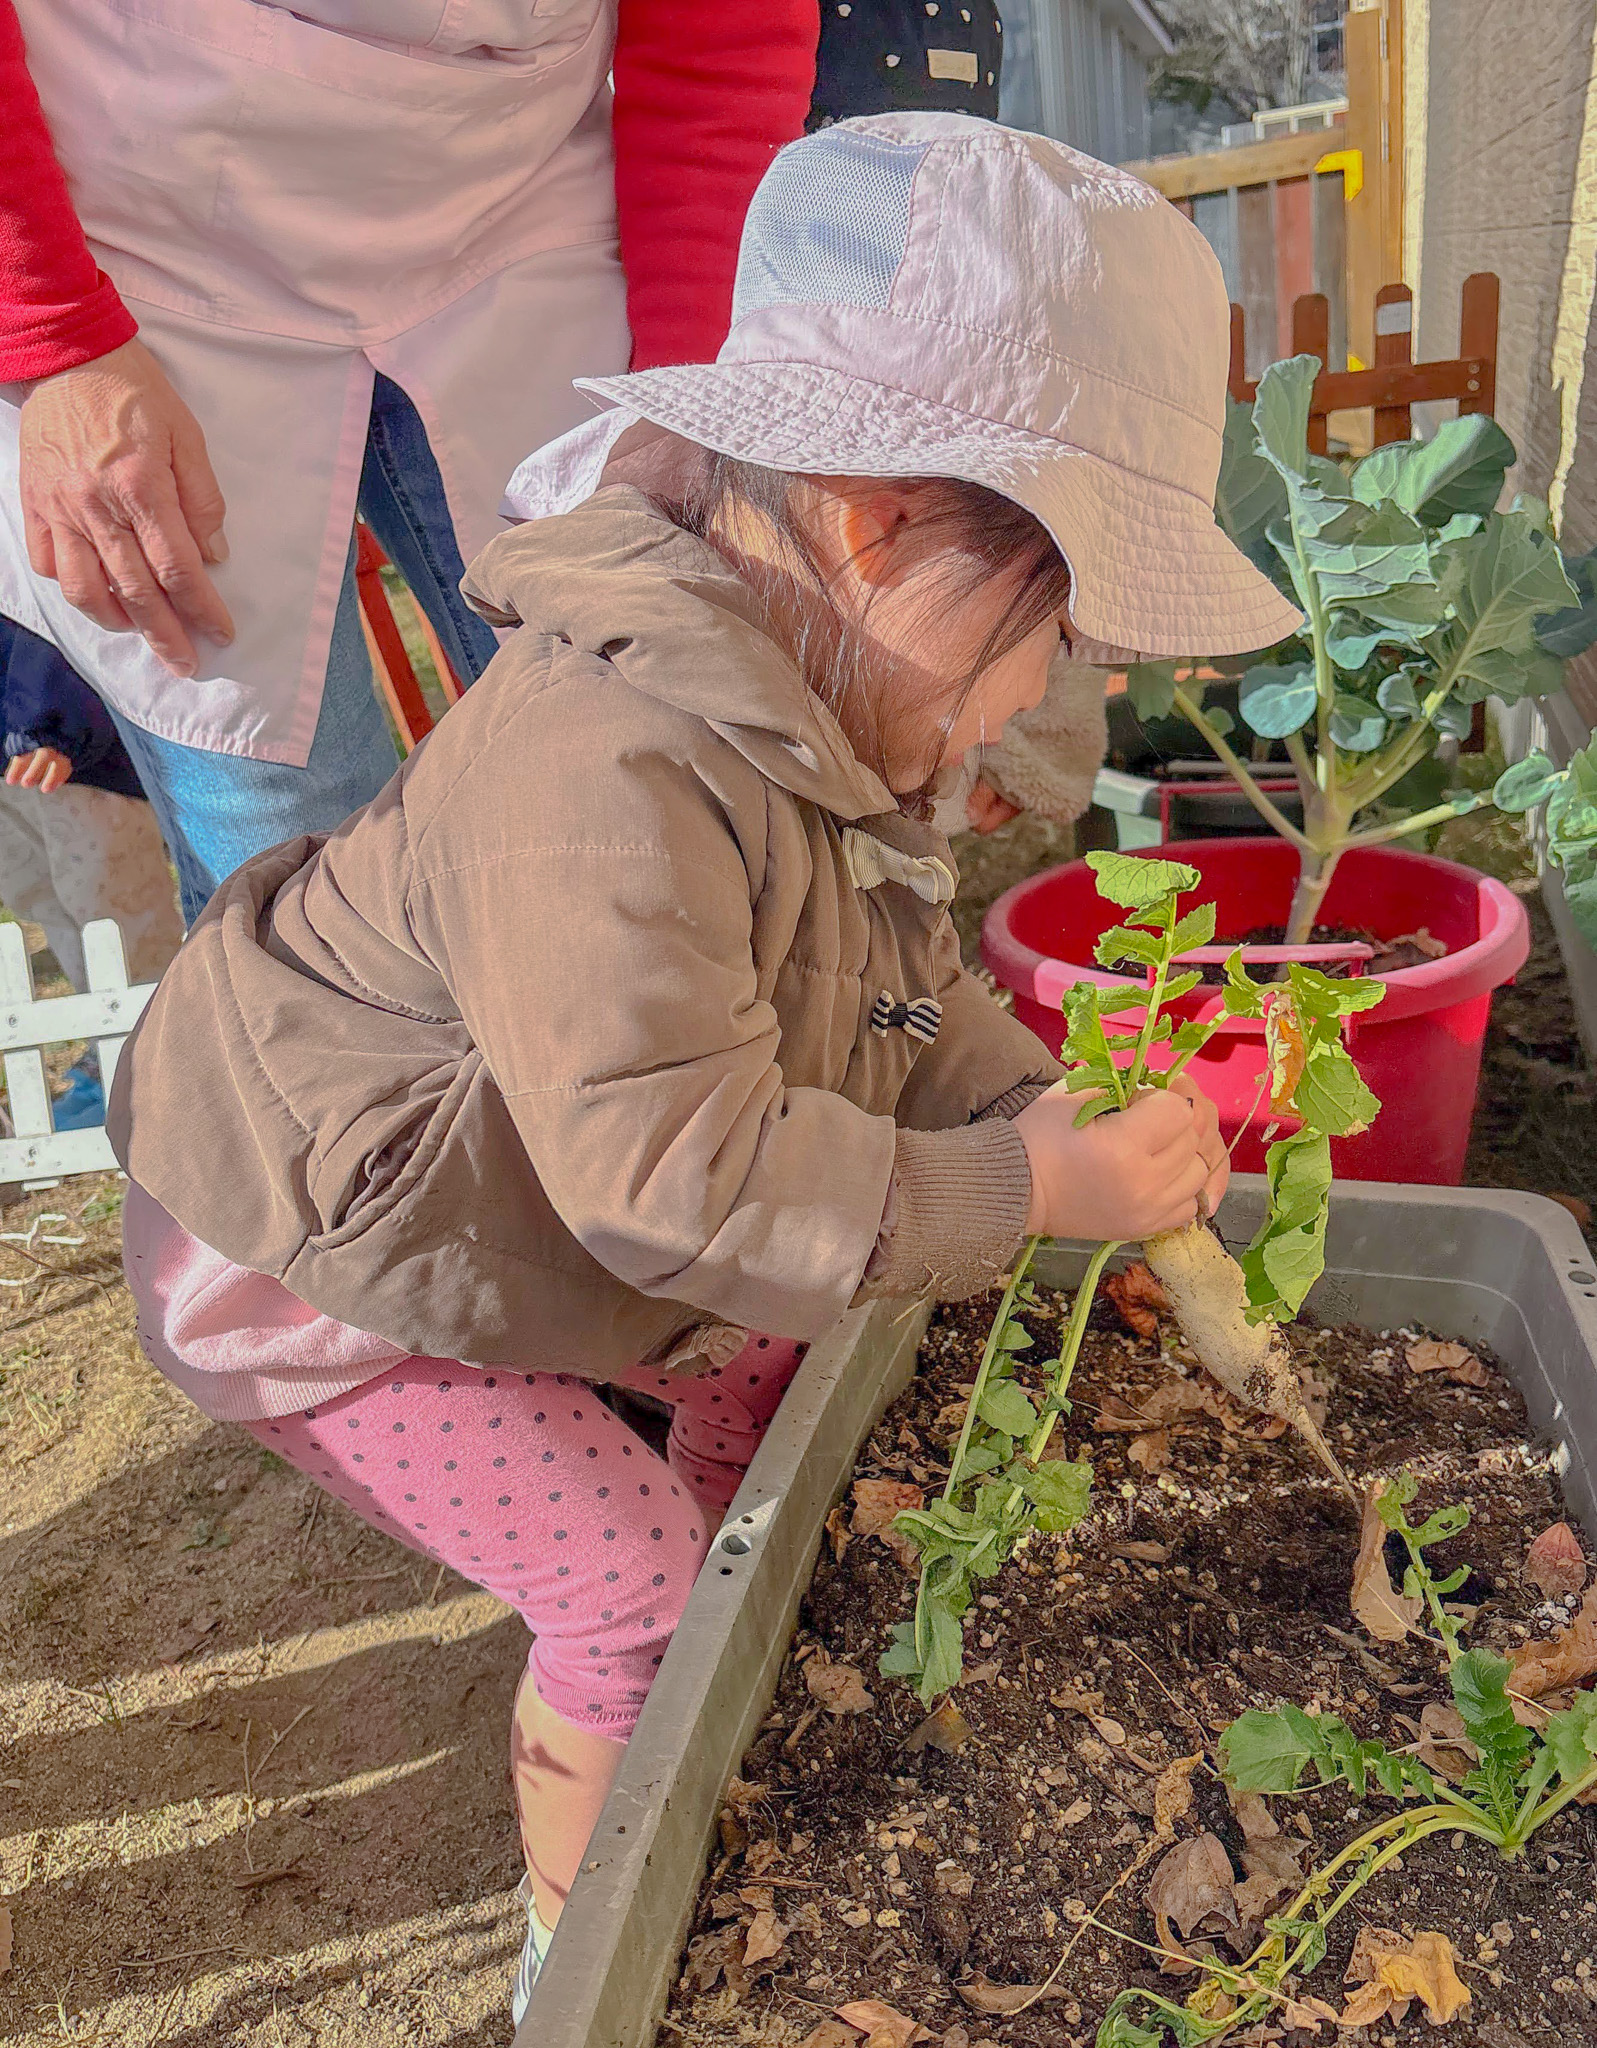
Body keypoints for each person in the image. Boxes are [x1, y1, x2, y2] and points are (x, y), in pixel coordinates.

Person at [110, 115, 1300, 2017]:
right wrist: (1031, 1194)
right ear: (876, 523)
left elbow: (892, 998)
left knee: (777, 1348)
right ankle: (575, 1939)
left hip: (541, 1161)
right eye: (1048, 624)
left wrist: (1006, 1098)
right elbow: (674, 1175)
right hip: (328, 1255)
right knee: (626, 1591)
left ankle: (757, 1560)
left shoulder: (825, 714)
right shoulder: (606, 760)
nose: (1046, 692)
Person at [0, 0, 821, 919]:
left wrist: (684, 380)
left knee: (649, 776)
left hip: (516, 198)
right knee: (289, 876)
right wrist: (53, 342)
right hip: (140, 244)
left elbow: (725, 43)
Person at [0, 617, 182, 1123]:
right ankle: (113, 1049)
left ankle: (166, 1049)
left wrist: (48, 719)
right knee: (41, 897)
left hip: (71, 755)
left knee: (109, 900)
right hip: (11, 763)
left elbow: (35, 610)